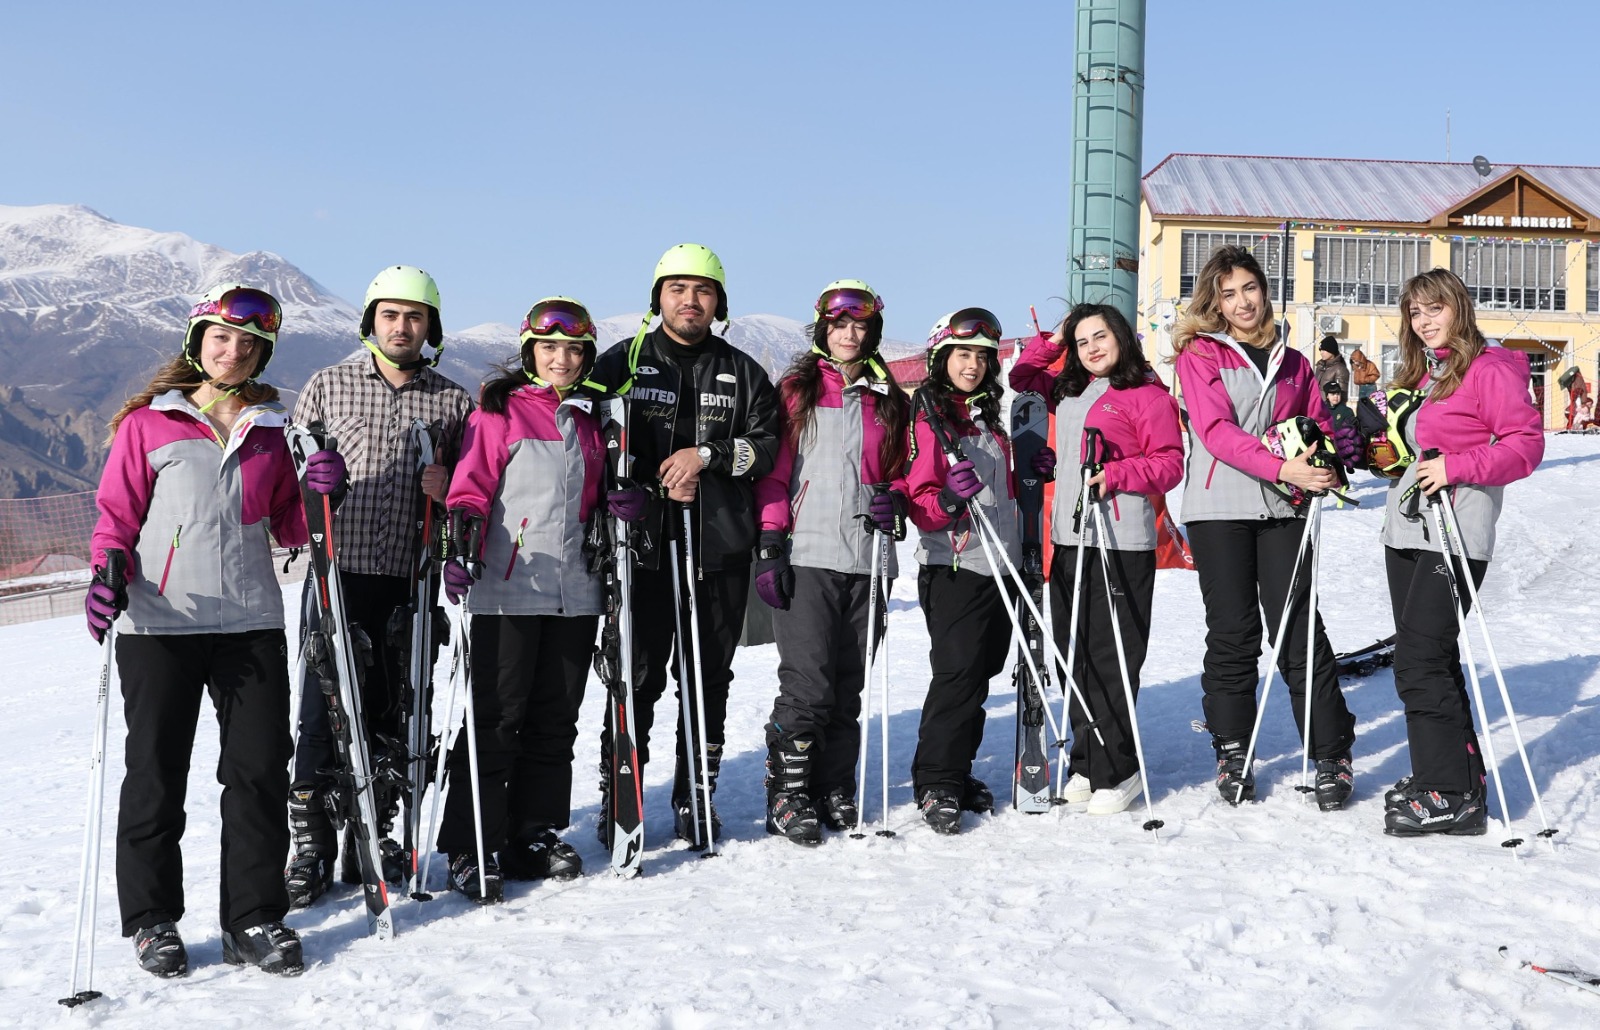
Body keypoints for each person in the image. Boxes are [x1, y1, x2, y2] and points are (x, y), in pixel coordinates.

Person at [87, 284, 340, 977]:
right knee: (156, 773)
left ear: (262, 354)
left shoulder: (272, 428)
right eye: (220, 338)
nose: (232, 352)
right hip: (160, 620)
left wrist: (323, 490)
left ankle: (253, 920)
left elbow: (291, 526)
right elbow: (116, 513)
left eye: (247, 343)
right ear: (196, 342)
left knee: (258, 774)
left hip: (250, 620)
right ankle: (152, 921)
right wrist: (108, 566)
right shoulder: (148, 424)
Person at [434, 297, 645, 901]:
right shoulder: (498, 414)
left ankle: (533, 831)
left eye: (574, 350)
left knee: (555, 719)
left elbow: (597, 499)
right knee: (499, 718)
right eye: (550, 348)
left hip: (576, 590)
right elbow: (468, 489)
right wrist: (461, 542)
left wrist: (622, 504)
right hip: (508, 585)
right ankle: (473, 842)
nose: (563, 359)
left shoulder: (593, 420)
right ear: (530, 351)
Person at [283, 265, 472, 906]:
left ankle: (374, 831)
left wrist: (447, 495)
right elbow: (289, 468)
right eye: (390, 315)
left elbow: (469, 489)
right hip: (338, 571)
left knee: (394, 710)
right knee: (323, 710)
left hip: (407, 577)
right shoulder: (329, 385)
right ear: (371, 321)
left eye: (415, 317)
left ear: (430, 327)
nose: (402, 326)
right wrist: (314, 476)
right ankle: (311, 846)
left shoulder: (451, 400)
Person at [588, 244, 781, 847]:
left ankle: (697, 795)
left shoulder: (743, 370)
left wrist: (710, 456)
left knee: (705, 680)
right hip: (640, 550)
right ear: (658, 296)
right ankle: (622, 796)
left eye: (703, 291)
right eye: (677, 289)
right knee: (636, 677)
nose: (690, 300)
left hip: (717, 549)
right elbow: (584, 436)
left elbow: (768, 444)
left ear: (718, 301)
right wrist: (632, 489)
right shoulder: (623, 360)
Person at [1171, 245, 1361, 809]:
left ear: (1264, 291)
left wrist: (1330, 454)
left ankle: (1331, 752)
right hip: (1219, 507)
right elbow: (1215, 431)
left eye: (1249, 289)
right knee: (1233, 632)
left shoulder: (1297, 361)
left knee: (1298, 627)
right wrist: (1283, 466)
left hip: (1285, 507)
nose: (1241, 302)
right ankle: (1233, 746)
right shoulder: (1201, 355)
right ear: (1215, 302)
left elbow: (1316, 424)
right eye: (1228, 294)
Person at [1376, 268, 1543, 835]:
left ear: (1459, 307)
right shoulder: (1433, 370)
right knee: (1434, 658)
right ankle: (1449, 778)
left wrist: (1457, 466)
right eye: (1415, 314)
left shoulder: (1488, 368)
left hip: (1456, 532)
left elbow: (1525, 445)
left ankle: (1449, 793)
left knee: (1418, 661)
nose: (1424, 322)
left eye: (1434, 309)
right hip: (1412, 530)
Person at [752, 280, 911, 845]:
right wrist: (771, 542)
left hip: (869, 557)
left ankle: (834, 785)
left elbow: (900, 472)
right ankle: (789, 793)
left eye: (860, 325)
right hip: (809, 552)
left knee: (848, 685)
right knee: (808, 684)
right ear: (823, 327)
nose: (850, 333)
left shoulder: (889, 397)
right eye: (840, 324)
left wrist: (896, 495)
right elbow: (774, 473)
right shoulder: (796, 390)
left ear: (872, 333)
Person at [1009, 303, 1183, 815]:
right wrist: (1056, 337)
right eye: (1082, 342)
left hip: (1120, 540)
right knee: (1074, 653)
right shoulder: (1070, 390)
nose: (1092, 349)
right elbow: (1022, 376)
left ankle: (1119, 769)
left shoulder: (1145, 394)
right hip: (1068, 539)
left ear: (1122, 337)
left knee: (1112, 658)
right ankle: (1085, 760)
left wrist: (1117, 475)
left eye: (1100, 336)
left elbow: (1170, 463)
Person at [904, 308, 1019, 834]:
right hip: (954, 564)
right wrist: (947, 500)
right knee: (956, 676)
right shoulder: (931, 417)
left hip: (1000, 564)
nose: (972, 365)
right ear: (941, 357)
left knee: (980, 675)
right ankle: (936, 781)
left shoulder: (986, 415)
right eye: (962, 354)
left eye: (981, 356)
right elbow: (918, 498)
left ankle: (958, 769)